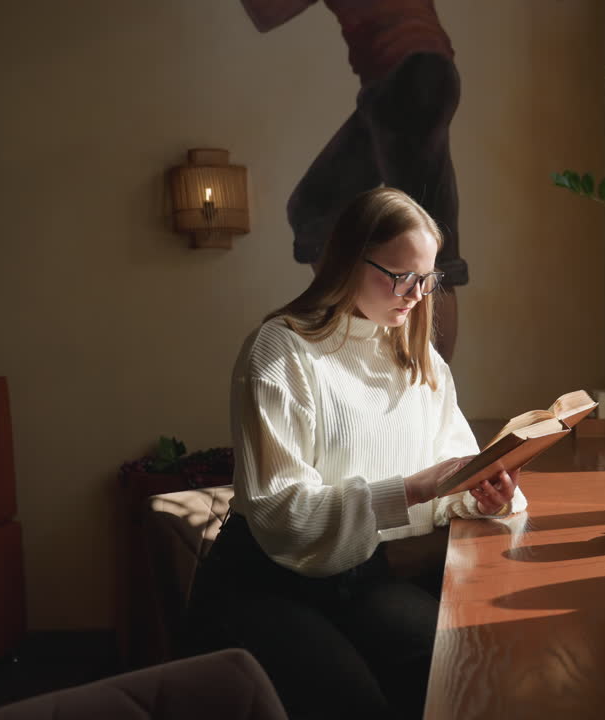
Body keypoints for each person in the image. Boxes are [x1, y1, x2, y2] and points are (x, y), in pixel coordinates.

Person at [183, 187, 526, 720]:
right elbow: (282, 513)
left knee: (463, 666)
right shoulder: (281, 350)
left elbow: (448, 477)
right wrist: (414, 488)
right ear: (347, 259)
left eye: (427, 279)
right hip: (266, 583)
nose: (414, 294)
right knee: (358, 705)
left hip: (360, 576)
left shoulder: (421, 362)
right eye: (399, 276)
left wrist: (479, 494)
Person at [238, 0, 467, 363]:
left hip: (409, 75)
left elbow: (266, 12)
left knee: (431, 246)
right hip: (407, 77)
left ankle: (427, 386)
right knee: (313, 210)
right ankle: (358, 335)